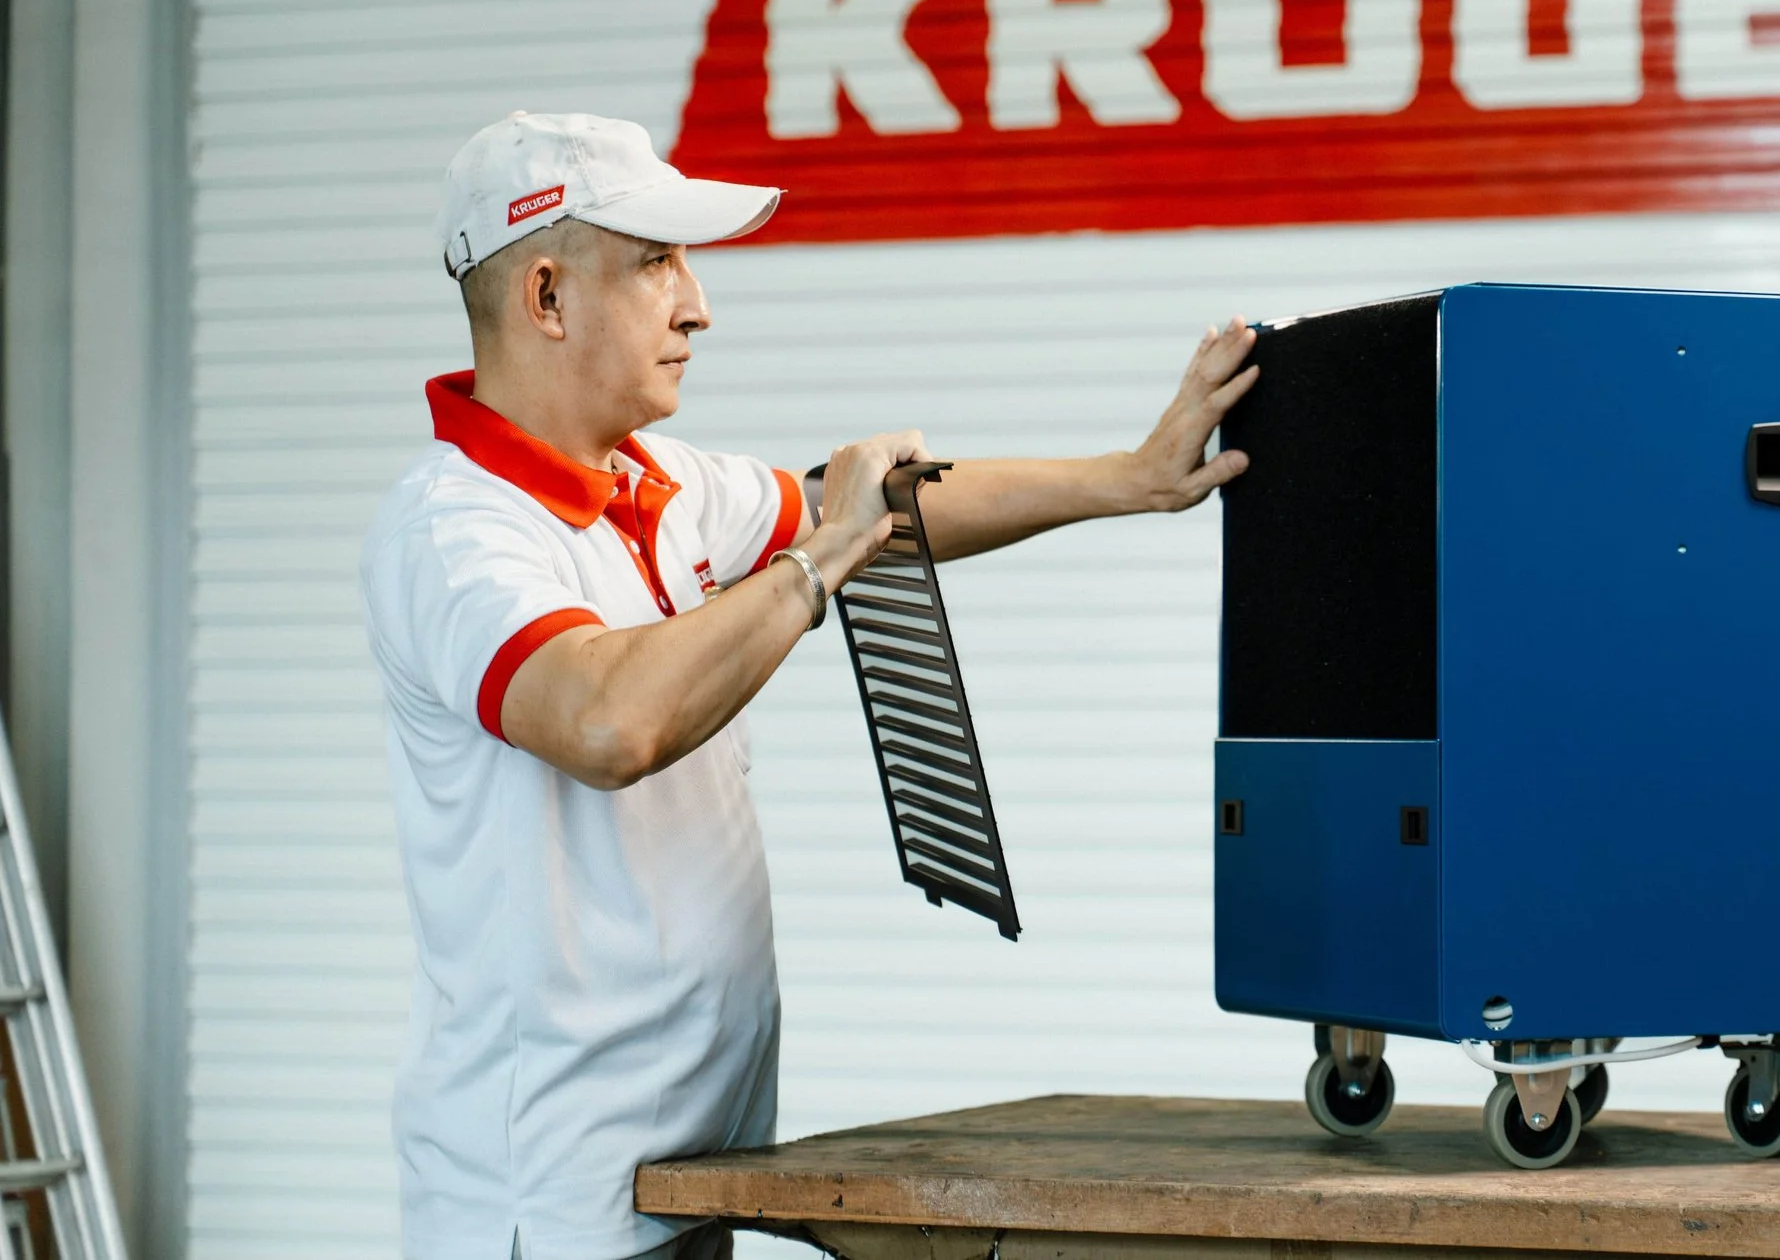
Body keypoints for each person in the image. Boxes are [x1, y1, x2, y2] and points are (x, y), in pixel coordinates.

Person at [359, 111, 1259, 1260]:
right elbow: (606, 716)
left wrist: (1126, 477)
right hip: (546, 1196)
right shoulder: (454, 531)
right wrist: (820, 556)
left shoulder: (664, 481)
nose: (697, 304)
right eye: (655, 263)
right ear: (545, 296)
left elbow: (876, 497)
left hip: (685, 1160)